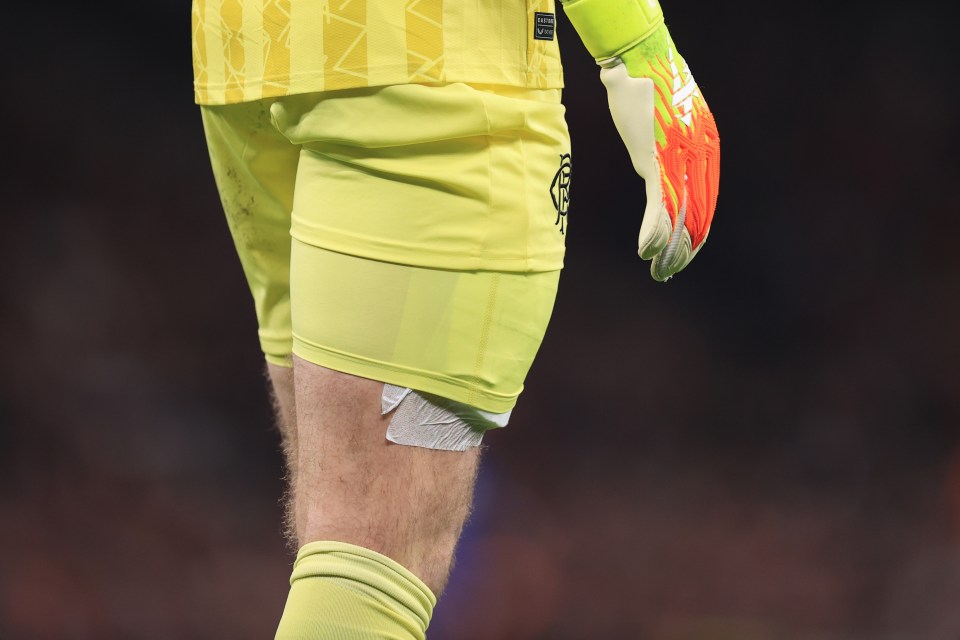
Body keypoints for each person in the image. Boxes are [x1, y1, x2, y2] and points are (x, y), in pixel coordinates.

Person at [191, 0, 719, 637]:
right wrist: (638, 47)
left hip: (250, 51)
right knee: (365, 577)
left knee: (337, 544)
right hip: (434, 52)